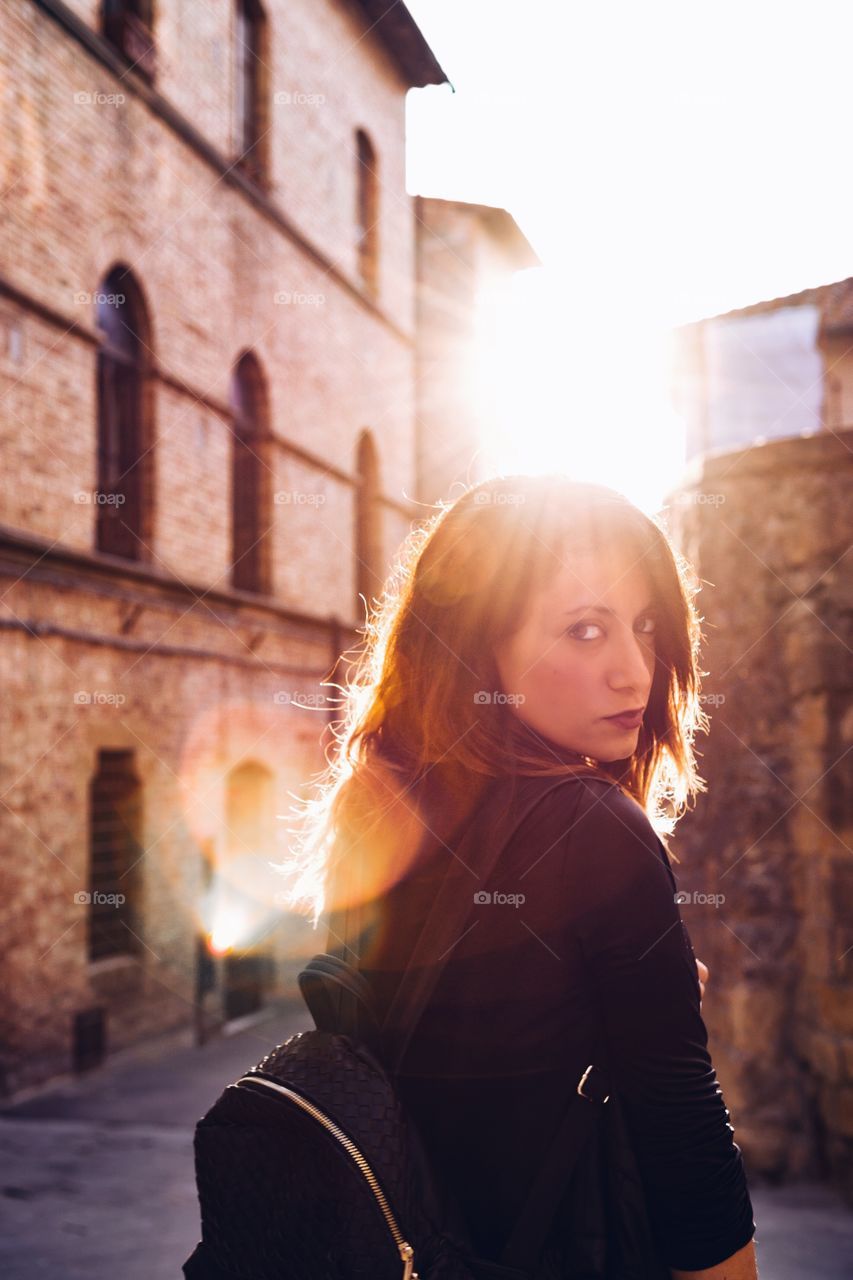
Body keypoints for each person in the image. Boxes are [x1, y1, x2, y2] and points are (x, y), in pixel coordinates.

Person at [279, 473, 759, 1279]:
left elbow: (458, 1049)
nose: (635, 672)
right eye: (582, 631)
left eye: (643, 627)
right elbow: (681, 1128)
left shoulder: (381, 802)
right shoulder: (597, 830)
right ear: (478, 646)